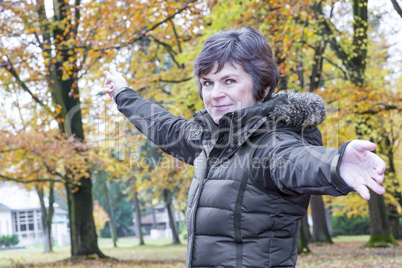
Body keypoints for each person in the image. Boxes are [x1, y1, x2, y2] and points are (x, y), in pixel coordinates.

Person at [104, 27, 385, 268]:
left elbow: (297, 160)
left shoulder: (272, 142)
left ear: (261, 88)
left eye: (229, 81)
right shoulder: (210, 140)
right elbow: (164, 126)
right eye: (207, 83)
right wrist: (123, 94)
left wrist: (336, 164)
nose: (215, 94)